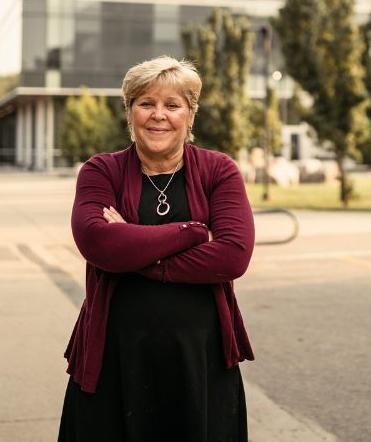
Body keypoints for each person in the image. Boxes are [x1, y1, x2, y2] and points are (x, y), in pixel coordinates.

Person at [59, 56, 255, 441]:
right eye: (146, 103)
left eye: (172, 105)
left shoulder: (219, 170)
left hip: (201, 357)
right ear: (129, 113)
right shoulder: (102, 171)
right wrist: (192, 233)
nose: (158, 115)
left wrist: (133, 250)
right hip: (115, 357)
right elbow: (98, 242)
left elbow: (233, 254)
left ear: (190, 115)